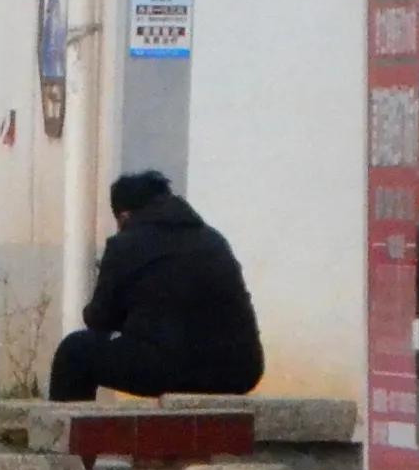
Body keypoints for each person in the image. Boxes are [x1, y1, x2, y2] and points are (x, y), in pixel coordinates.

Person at [52, 170, 264, 401]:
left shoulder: (125, 245)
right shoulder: (213, 239)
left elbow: (100, 319)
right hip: (239, 369)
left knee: (74, 353)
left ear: (123, 216)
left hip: (173, 368)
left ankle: (68, 435)